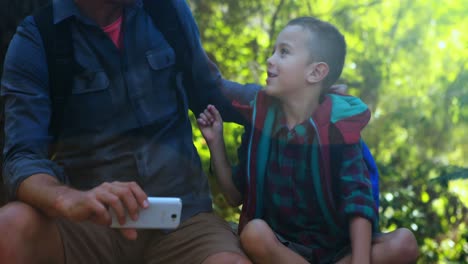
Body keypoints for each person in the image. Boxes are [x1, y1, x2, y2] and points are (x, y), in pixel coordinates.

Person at [0, 0, 260, 263]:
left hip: (184, 221)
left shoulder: (167, 10)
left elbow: (210, 91)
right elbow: (22, 157)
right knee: (10, 227)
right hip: (89, 226)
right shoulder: (38, 38)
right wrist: (69, 200)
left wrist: (284, 100)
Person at [197, 17, 419, 263]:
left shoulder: (337, 127)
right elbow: (235, 196)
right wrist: (215, 142)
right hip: (283, 249)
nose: (270, 60)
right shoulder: (260, 122)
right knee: (254, 233)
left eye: (284, 52)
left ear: (316, 72)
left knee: (404, 243)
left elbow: (358, 201)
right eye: (273, 51)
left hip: (336, 249)